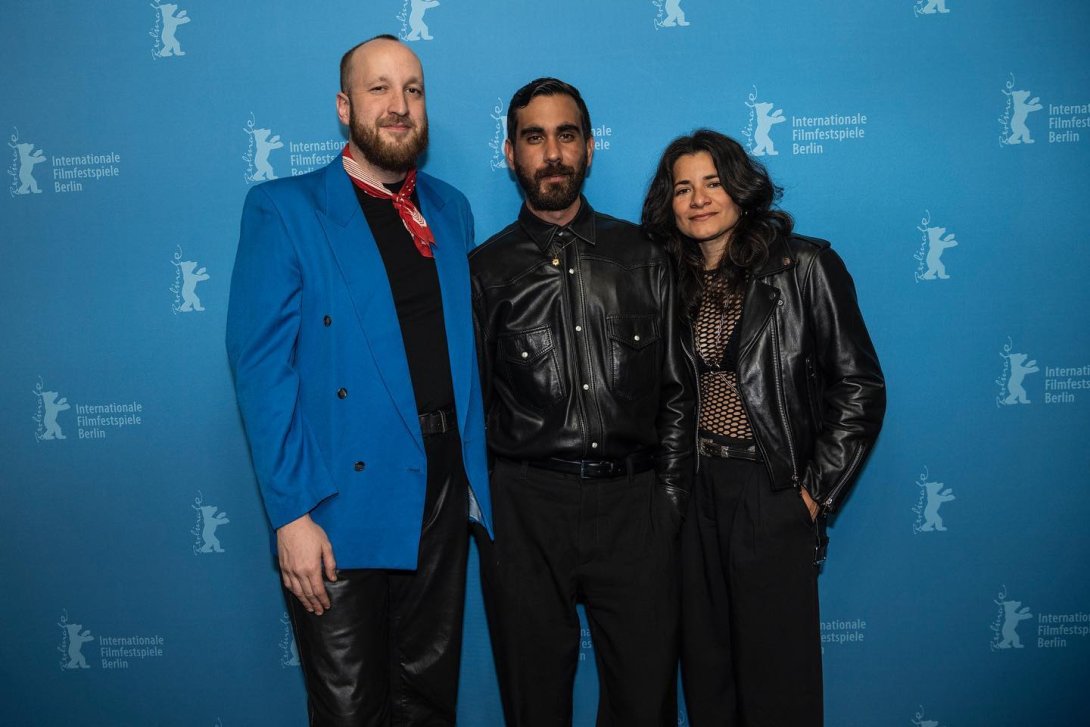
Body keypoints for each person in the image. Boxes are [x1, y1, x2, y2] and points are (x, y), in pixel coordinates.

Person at [225, 35, 492, 727]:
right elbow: (262, 369)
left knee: (428, 702)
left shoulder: (451, 208)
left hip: (441, 491)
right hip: (338, 498)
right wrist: (291, 514)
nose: (398, 106)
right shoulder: (285, 208)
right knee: (350, 709)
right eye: (379, 89)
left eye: (412, 89)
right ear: (345, 107)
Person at [641, 129, 886, 727]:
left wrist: (811, 494)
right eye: (683, 188)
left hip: (769, 490)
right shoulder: (663, 280)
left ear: (741, 190)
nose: (698, 199)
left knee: (780, 685)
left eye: (713, 183)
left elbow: (859, 387)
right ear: (667, 204)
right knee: (708, 679)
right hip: (691, 490)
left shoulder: (804, 266)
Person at [470, 78, 695, 727]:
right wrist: (498, 520)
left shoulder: (647, 258)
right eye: (534, 137)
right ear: (511, 153)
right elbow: (472, 407)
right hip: (526, 514)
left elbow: (680, 393)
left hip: (636, 510)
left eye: (566, 135)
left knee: (644, 702)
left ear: (590, 148)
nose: (552, 153)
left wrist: (668, 505)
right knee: (534, 704)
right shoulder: (483, 273)